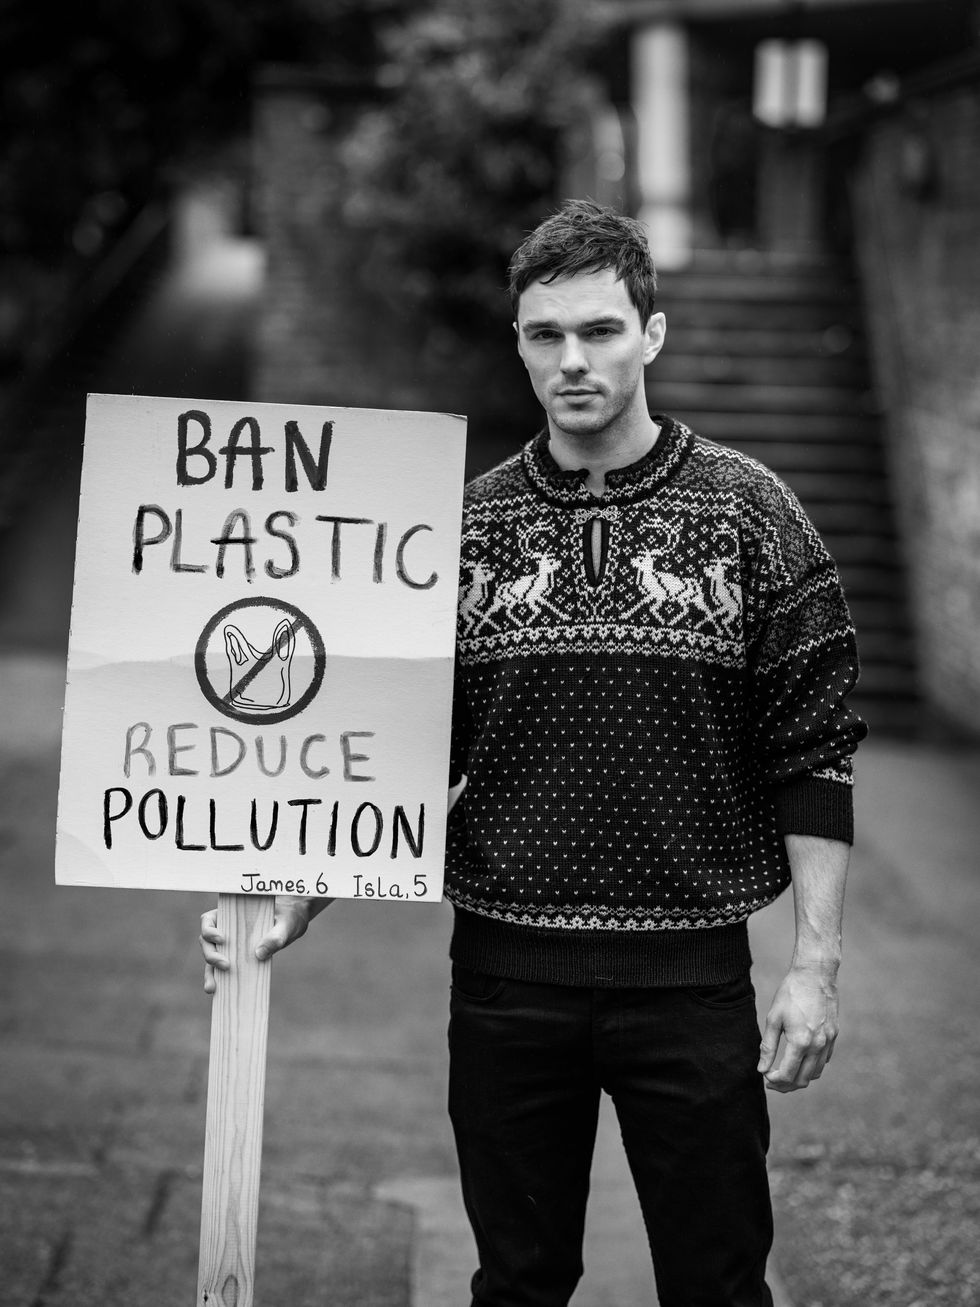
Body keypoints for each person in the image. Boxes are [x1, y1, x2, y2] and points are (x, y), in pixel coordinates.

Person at [201, 198, 867, 1306]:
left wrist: (815, 966)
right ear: (517, 341)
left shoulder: (754, 516)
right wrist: (301, 886)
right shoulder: (460, 533)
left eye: (600, 330)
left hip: (691, 980)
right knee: (515, 1283)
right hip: (506, 980)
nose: (573, 360)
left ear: (651, 334)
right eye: (545, 334)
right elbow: (402, 745)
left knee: (717, 1284)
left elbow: (815, 751)